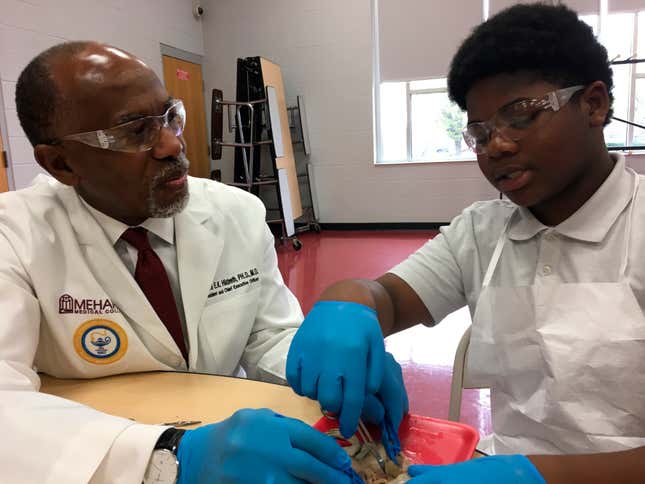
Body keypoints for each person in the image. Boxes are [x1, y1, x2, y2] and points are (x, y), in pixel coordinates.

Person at [286, 4, 645, 483]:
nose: (496, 145)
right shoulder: (484, 233)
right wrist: (345, 308)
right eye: (480, 131)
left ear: (594, 105)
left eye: (520, 116)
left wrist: (526, 478)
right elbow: (388, 297)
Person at [0, 41, 353, 483]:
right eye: (135, 130)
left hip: (228, 445)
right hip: (96, 463)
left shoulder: (236, 213)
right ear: (60, 163)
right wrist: (165, 457)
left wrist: (323, 371)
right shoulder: (13, 235)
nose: (172, 144)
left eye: (170, 116)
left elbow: (269, 335)